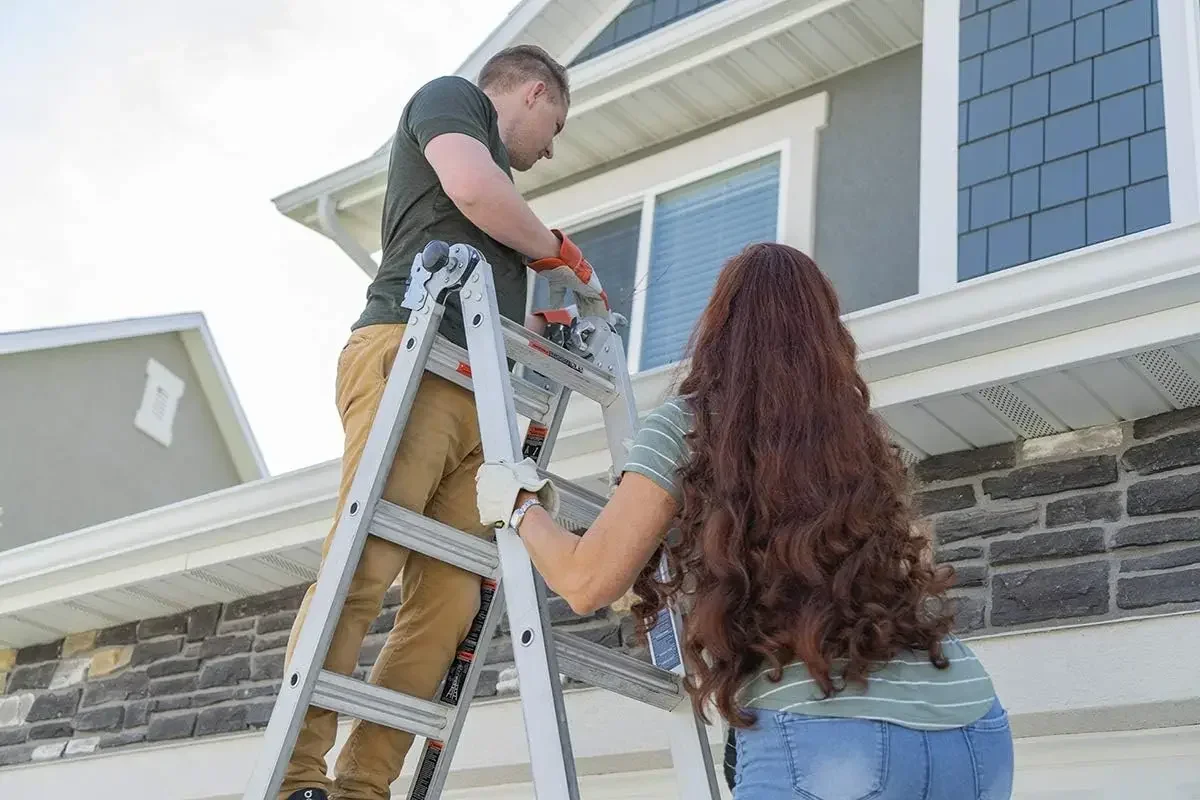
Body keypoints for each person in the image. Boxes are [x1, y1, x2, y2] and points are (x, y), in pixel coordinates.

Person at [476, 242, 1016, 799]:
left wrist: (519, 506)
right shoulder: (853, 439)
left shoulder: (689, 427)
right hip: (972, 724)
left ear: (721, 329)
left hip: (829, 737)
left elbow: (586, 582)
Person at [278, 45, 609, 800]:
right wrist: (562, 256)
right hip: (410, 354)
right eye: (552, 127)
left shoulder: (507, 205)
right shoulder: (451, 100)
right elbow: (471, 187)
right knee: (366, 564)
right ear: (530, 93)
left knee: (452, 600)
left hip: (479, 391)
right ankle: (298, 776)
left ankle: (363, 787)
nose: (549, 149)